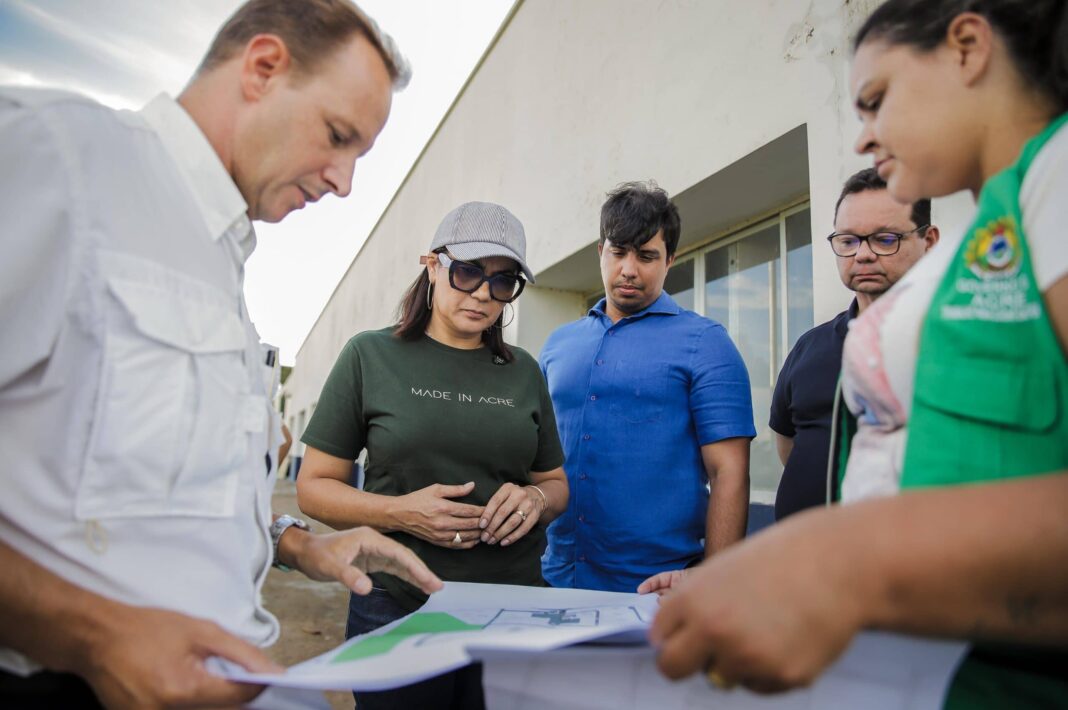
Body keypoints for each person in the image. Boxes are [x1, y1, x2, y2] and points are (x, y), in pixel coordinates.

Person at [0, 2, 444, 707]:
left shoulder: (219, 263)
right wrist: (95, 636)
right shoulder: (54, 155)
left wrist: (299, 544)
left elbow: (154, 495)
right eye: (338, 137)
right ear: (263, 68)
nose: (344, 182)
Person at [645, 1, 1068, 705]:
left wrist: (843, 560)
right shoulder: (1001, 218)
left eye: (875, 101)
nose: (865, 138)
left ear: (967, 47)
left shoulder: (1057, 175)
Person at [296, 201, 569, 709]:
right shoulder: (369, 356)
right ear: (432, 265)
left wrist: (535, 498)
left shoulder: (524, 372)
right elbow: (312, 487)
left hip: (512, 608)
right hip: (397, 606)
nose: (484, 294)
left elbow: (555, 483)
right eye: (468, 272)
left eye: (503, 282)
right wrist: (401, 513)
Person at [539, 181, 755, 593]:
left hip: (658, 588)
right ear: (600, 252)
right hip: (553, 579)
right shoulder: (556, 345)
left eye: (647, 256)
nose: (629, 269)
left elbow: (729, 470)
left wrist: (714, 582)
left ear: (670, 259)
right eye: (618, 252)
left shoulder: (706, 343)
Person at [770, 168, 939, 520]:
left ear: (930, 241)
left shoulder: (960, 345)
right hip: (803, 562)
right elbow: (788, 446)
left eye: (886, 238)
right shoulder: (809, 347)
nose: (862, 255)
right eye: (848, 241)